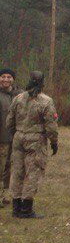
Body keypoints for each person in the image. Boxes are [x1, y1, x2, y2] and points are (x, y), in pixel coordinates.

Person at [6, 71, 58, 219]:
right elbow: (51, 125)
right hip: (35, 139)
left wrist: (16, 134)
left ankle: (16, 207)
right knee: (33, 171)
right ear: (43, 83)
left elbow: (9, 121)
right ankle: (26, 209)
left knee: (17, 171)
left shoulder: (18, 98)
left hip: (18, 136)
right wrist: (54, 142)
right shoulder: (46, 101)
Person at [0, 69, 20, 205]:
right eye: (3, 77)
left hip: (16, 137)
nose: (6, 79)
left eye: (9, 77)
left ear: (13, 79)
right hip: (2, 137)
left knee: (8, 167)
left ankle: (3, 194)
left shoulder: (20, 94)